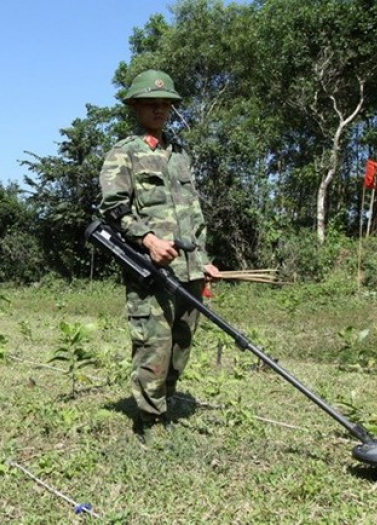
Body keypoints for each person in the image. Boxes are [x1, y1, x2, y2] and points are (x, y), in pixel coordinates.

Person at [97, 69, 221, 444]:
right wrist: (148, 239)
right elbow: (112, 208)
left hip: (190, 269)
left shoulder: (180, 154)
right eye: (151, 103)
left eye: (166, 103)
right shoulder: (124, 153)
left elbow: (194, 213)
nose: (160, 109)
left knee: (182, 343)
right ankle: (151, 421)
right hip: (150, 269)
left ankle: (166, 399)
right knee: (154, 344)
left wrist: (204, 260)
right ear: (135, 107)